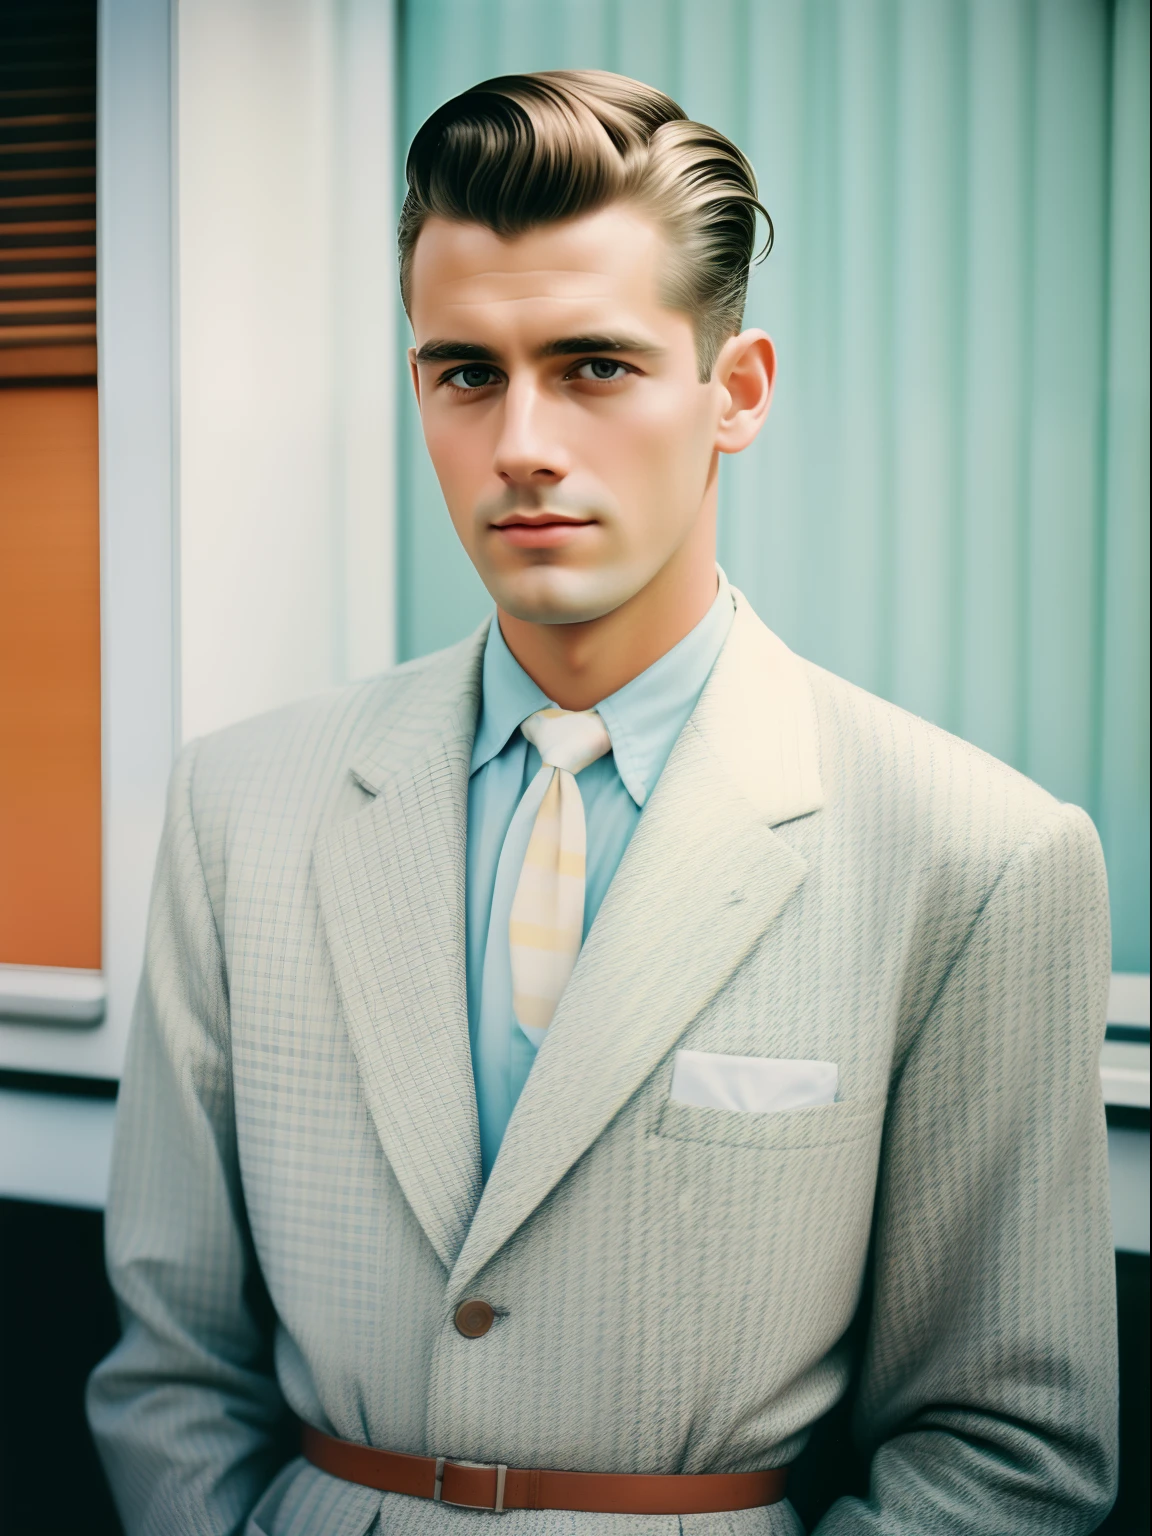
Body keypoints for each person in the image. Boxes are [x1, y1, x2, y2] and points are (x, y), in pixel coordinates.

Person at [88, 70, 1117, 1536]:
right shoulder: (238, 807)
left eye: (594, 366)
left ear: (735, 392)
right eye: (466, 372)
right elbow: (167, 1363)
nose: (521, 441)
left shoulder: (977, 854)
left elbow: (1010, 1442)